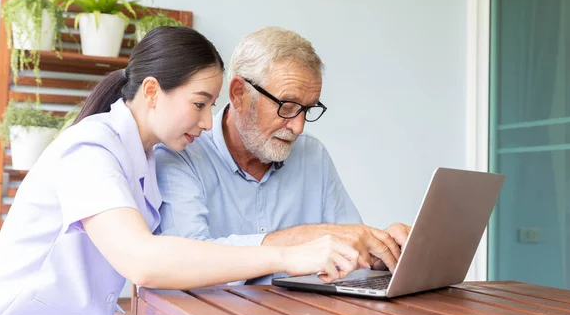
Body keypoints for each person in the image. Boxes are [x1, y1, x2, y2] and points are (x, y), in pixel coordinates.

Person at [0, 27, 360, 315]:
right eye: (199, 104)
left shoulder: (143, 158)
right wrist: (287, 255)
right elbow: (143, 261)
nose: (207, 122)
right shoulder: (90, 149)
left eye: (211, 106)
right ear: (151, 91)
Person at [155, 27, 411, 285]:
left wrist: (380, 252)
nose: (298, 127)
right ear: (238, 94)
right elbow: (184, 263)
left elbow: (348, 243)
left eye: (307, 110)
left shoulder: (313, 155)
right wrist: (301, 240)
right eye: (286, 107)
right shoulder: (181, 152)